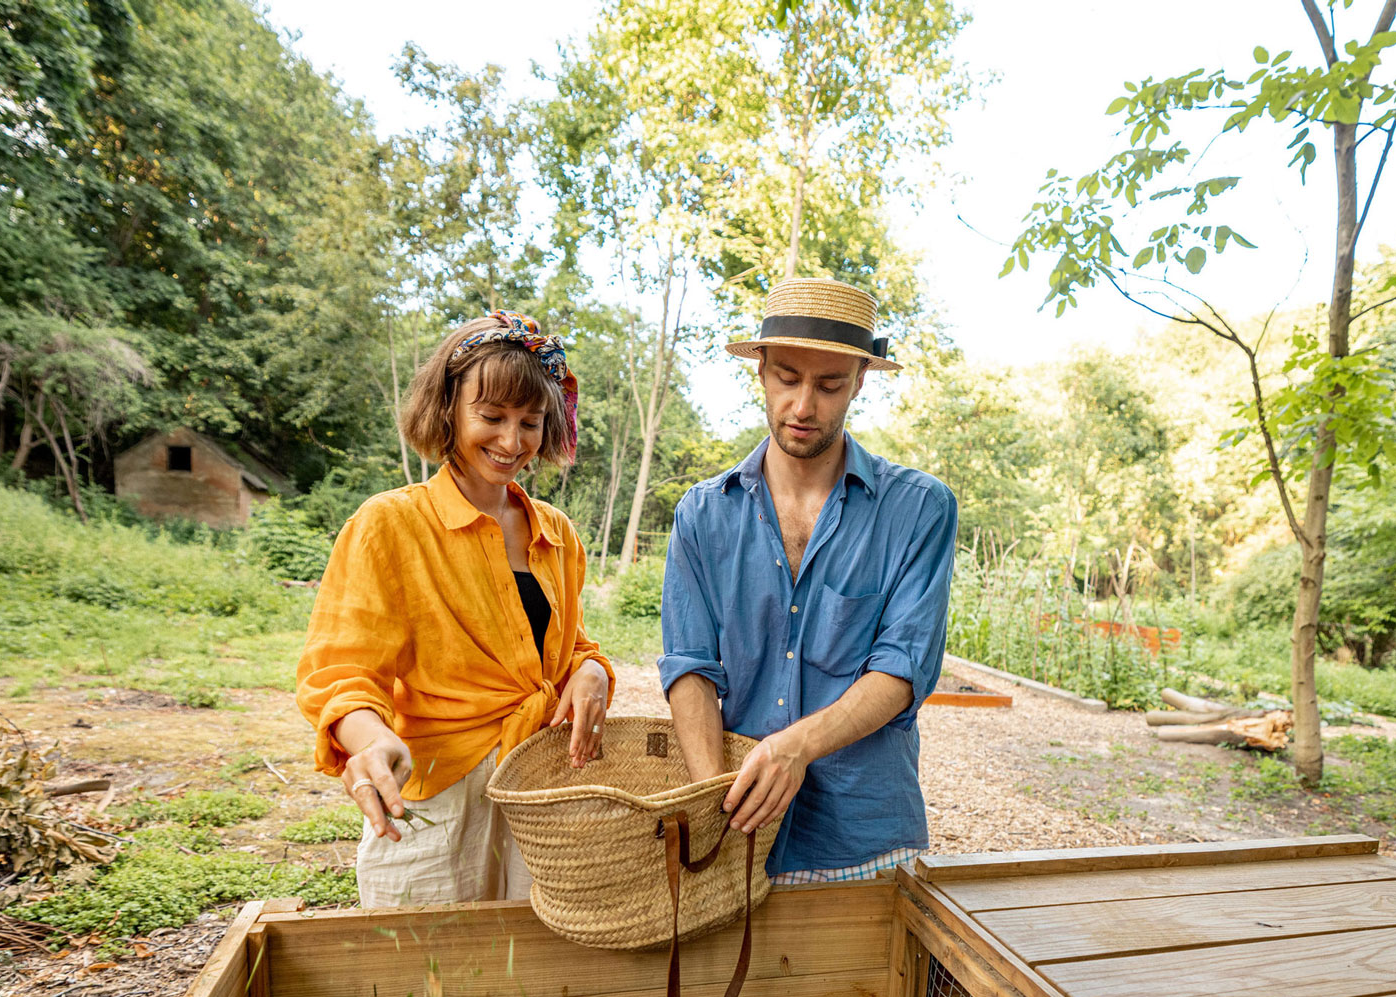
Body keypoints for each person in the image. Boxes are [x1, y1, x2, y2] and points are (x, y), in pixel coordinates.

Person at [296, 311, 614, 906]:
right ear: (447, 408)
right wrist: (369, 741)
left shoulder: (559, 535)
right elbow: (341, 673)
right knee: (425, 978)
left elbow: (565, 648)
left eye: (530, 422)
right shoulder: (389, 525)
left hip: (539, 788)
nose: (511, 441)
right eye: (491, 417)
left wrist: (591, 670)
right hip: (434, 792)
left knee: (532, 972)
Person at [660, 278, 956, 883]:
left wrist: (796, 746)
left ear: (860, 381)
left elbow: (903, 668)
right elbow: (689, 666)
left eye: (829, 385)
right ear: (760, 370)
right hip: (741, 838)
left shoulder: (919, 508)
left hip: (865, 837)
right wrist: (713, 804)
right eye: (788, 377)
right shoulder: (702, 514)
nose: (803, 407)